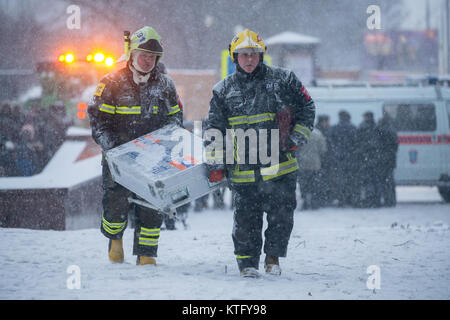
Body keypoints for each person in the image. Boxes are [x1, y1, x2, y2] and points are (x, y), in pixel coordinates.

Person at [204, 29, 315, 278]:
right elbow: (213, 130)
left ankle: (273, 258)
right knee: (246, 219)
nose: (249, 60)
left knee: (281, 216)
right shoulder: (222, 90)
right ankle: (247, 264)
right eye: (243, 55)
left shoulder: (284, 80)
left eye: (254, 54)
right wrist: (216, 165)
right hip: (243, 171)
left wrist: (297, 138)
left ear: (262, 55)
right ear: (235, 57)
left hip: (280, 167)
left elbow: (307, 107)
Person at [88, 26, 183, 266]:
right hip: (118, 159)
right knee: (116, 203)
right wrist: (114, 149)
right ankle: (115, 240)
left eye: (153, 57)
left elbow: (175, 119)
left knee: (152, 205)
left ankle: (147, 253)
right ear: (132, 55)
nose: (148, 60)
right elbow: (99, 122)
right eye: (143, 55)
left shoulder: (166, 85)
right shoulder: (111, 83)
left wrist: (163, 145)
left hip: (153, 159)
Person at [330, 110, 358, 207]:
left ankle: (341, 200)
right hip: (351, 158)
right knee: (351, 180)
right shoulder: (353, 128)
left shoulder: (334, 128)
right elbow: (356, 143)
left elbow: (331, 143)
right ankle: (350, 199)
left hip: (339, 158)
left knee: (340, 180)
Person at [297, 127, 327, 210]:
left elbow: (297, 148)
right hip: (315, 163)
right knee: (314, 184)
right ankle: (314, 202)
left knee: (304, 184)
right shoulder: (318, 133)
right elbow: (323, 149)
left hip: (303, 162)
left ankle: (305, 202)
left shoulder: (301, 132)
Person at [355, 111, 381, 207]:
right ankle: (376, 200)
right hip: (374, 158)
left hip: (365, 158)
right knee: (375, 180)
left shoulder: (362, 127)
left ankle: (368, 200)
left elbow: (358, 142)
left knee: (367, 180)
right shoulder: (377, 127)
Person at [375, 112, 398, 207]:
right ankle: (391, 200)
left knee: (383, 181)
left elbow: (378, 145)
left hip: (383, 160)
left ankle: (387, 200)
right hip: (390, 160)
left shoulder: (381, 131)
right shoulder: (392, 130)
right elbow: (395, 146)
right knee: (390, 181)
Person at [314, 114, 334, 206]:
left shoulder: (316, 130)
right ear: (323, 122)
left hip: (321, 160)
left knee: (321, 180)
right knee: (322, 180)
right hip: (321, 161)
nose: (329, 123)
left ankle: (321, 199)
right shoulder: (322, 132)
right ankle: (322, 199)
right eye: (328, 121)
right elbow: (324, 148)